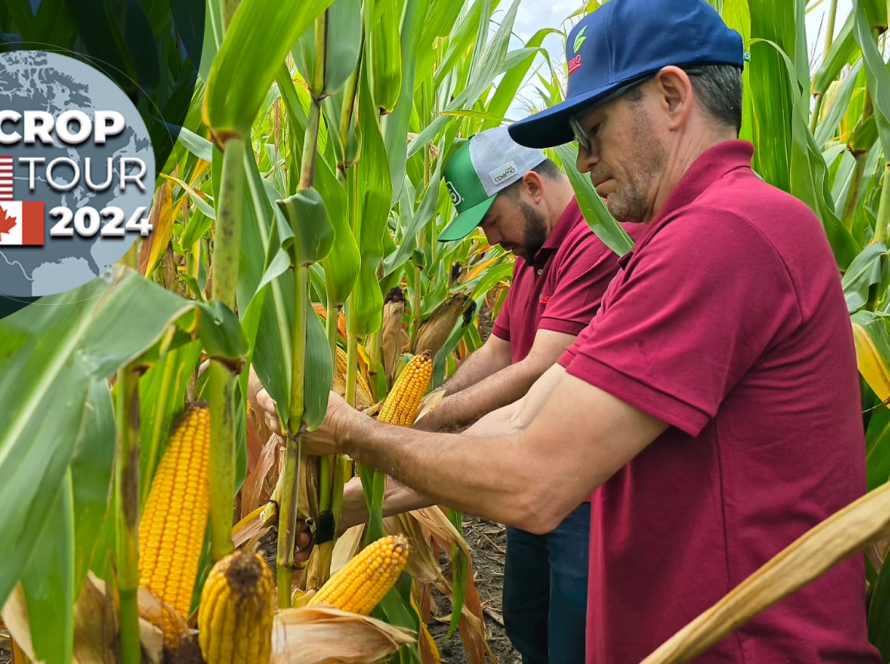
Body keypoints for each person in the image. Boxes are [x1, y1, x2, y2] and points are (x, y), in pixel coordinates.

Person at [261, 1, 883, 662]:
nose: (581, 162)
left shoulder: (725, 233)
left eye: (593, 131)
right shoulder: (674, 242)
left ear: (672, 95)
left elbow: (536, 481)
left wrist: (357, 433)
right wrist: (339, 510)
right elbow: (526, 418)